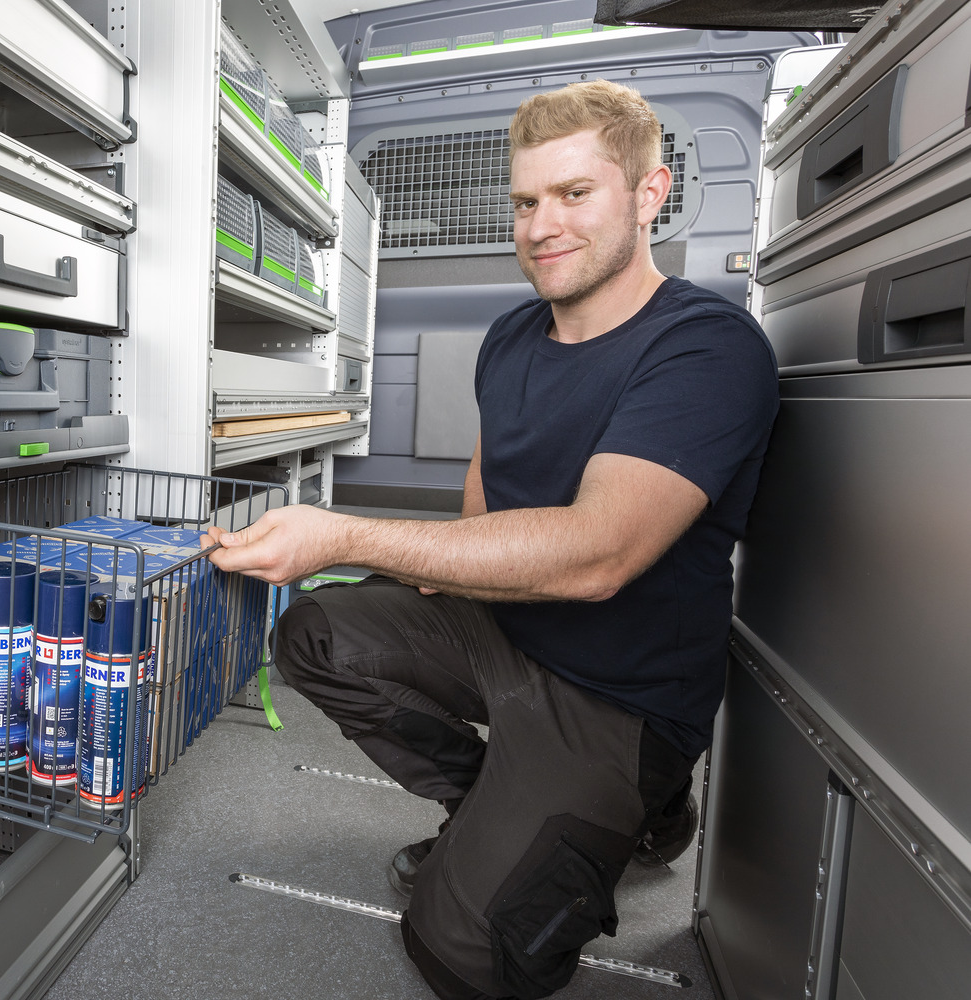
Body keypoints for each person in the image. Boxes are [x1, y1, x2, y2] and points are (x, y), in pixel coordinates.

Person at [207, 80, 779, 1000]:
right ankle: (491, 805)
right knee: (317, 634)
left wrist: (348, 535)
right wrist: (450, 563)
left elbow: (597, 556)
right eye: (525, 201)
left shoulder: (707, 349)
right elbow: (489, 484)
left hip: (617, 697)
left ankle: (640, 805)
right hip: (506, 634)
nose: (541, 224)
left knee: (465, 957)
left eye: (574, 194)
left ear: (648, 193)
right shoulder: (512, 338)